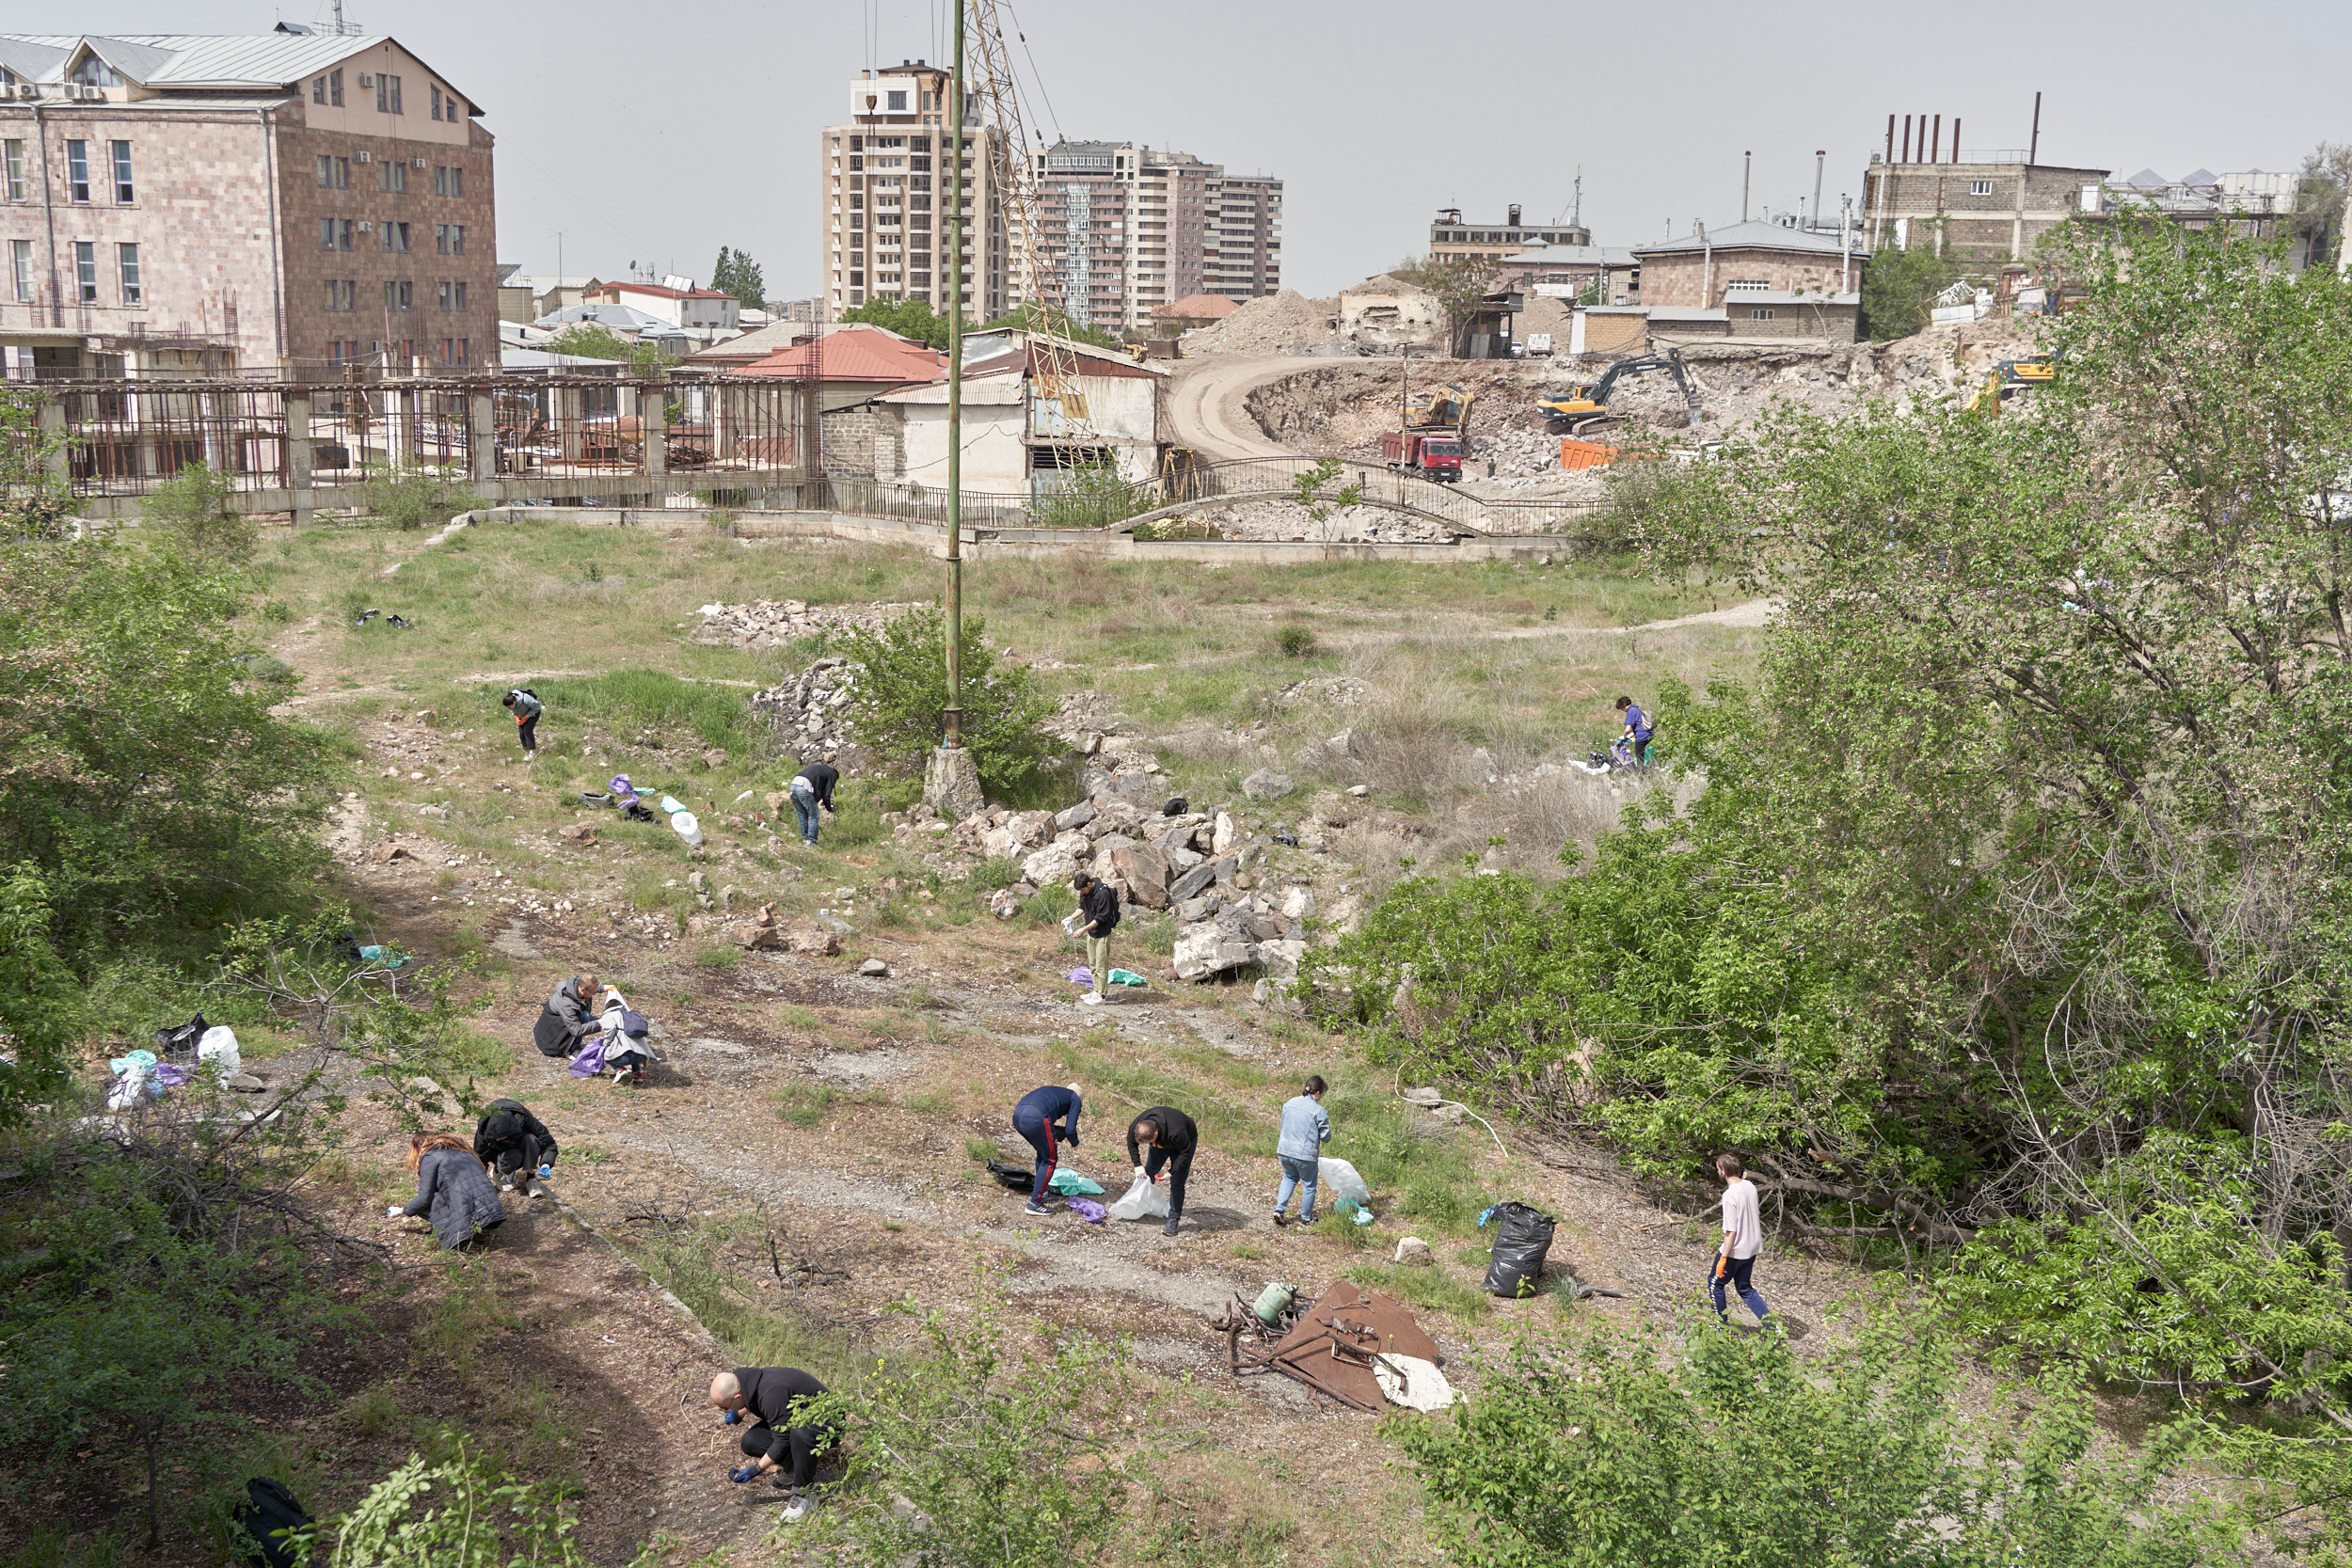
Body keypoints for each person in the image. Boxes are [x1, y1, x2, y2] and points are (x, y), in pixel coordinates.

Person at [709, 1368, 839, 1523]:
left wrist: (756, 1469)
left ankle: (805, 1495)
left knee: (799, 1432)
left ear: (737, 1396)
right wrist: (737, 1414)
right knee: (751, 1441)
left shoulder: (771, 1393)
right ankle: (793, 1469)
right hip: (800, 1417)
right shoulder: (745, 1380)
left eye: (726, 1407)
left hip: (830, 1421)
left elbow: (782, 1440)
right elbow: (752, 1398)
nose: (726, 1410)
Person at [388, 1132, 506, 1249]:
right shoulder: (464, 1151)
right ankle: (476, 1227)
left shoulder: (429, 1157)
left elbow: (424, 1199)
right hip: (492, 1208)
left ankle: (457, 1230)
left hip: (466, 1202)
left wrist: (403, 1210)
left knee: (425, 1204)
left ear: (418, 1148)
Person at [1709, 1152, 1771, 1326]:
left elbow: (1731, 1231)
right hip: (1752, 1248)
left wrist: (1723, 1258)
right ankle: (1772, 1327)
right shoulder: (1750, 1186)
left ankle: (1720, 1327)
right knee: (1745, 1288)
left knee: (1715, 1284)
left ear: (1723, 1171)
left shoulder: (1729, 1195)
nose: (1718, 1172)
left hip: (1736, 1251)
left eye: (1718, 1169)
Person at [1012, 1083, 1084, 1218]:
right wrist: (1075, 1143)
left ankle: (1042, 1193)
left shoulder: (1056, 1092)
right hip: (1036, 1118)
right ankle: (1035, 1204)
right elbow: (1070, 1130)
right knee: (1050, 1160)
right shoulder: (1075, 1098)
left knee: (1043, 1153)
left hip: (1017, 1116)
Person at [1127, 1105, 1199, 1239]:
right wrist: (1137, 1164)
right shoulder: (1138, 1126)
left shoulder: (1177, 1132)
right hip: (1161, 1142)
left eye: (1149, 1142)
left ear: (1155, 1134)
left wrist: (1172, 1171)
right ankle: (1140, 1204)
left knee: (1177, 1182)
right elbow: (1131, 1143)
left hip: (1183, 1144)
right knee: (1148, 1173)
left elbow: (1185, 1153)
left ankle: (1174, 1219)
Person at [1272, 1075, 1331, 1228]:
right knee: (1309, 1185)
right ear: (1318, 1093)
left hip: (1284, 1150)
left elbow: (1283, 1124)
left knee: (1289, 1177)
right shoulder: (1319, 1111)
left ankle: (1279, 1209)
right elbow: (1326, 1137)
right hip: (1305, 1154)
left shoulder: (1290, 1103)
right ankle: (1306, 1217)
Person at [473, 1099, 558, 1190]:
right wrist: (478, 1183)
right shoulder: (484, 1129)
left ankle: (531, 1178)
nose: (496, 1139)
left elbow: (549, 1144)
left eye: (499, 1137)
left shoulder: (524, 1118)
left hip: (519, 1142)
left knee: (532, 1140)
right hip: (500, 1153)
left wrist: (546, 1163)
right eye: (494, 1137)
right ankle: (499, 1173)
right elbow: (479, 1157)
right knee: (514, 1156)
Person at [1072, 871, 1120, 1006]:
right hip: (1091, 934)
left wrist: (1083, 929)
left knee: (1101, 966)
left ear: (1089, 884)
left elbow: (1101, 918)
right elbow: (1082, 907)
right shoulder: (1085, 892)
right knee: (1093, 965)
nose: (1082, 892)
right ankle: (1096, 990)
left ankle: (1102, 995)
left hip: (1102, 935)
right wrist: (1071, 918)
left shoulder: (1103, 894)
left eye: (1083, 889)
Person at [595, 984, 658, 1087]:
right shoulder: (631, 1015)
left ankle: (620, 1070)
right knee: (634, 1049)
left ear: (607, 1007)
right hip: (641, 1056)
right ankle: (638, 1074)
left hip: (624, 1058)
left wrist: (605, 1043)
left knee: (605, 1053)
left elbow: (610, 1029)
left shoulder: (608, 1015)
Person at [532, 972, 601, 1058]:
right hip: (552, 1042)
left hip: (567, 1023)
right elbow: (577, 1030)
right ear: (583, 989)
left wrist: (604, 987)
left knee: (599, 1020)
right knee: (587, 1017)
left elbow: (592, 986)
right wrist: (599, 1024)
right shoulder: (567, 1003)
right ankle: (573, 1050)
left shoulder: (576, 985)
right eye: (593, 993)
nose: (594, 994)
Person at [788, 760, 838, 846]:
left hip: (794, 784)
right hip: (804, 786)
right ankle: (811, 841)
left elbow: (816, 788)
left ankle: (805, 839)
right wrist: (830, 809)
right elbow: (826, 796)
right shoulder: (832, 775)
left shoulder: (822, 769)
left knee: (802, 815)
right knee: (814, 815)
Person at [501, 688, 544, 759]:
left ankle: (532, 753)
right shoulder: (511, 701)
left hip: (533, 713)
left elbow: (537, 707)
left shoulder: (526, 699)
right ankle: (526, 751)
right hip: (521, 714)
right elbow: (513, 710)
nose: (509, 709)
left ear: (514, 702)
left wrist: (527, 716)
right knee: (521, 733)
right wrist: (516, 717)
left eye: (509, 707)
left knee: (527, 731)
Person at [1615, 695, 1653, 766]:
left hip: (1641, 736)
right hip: (1648, 734)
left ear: (1623, 705)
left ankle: (1641, 774)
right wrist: (1629, 736)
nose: (1622, 711)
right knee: (1642, 754)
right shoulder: (1636, 708)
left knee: (1639, 757)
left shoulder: (1630, 711)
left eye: (1621, 708)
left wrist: (1623, 738)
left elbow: (1627, 729)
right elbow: (1639, 725)